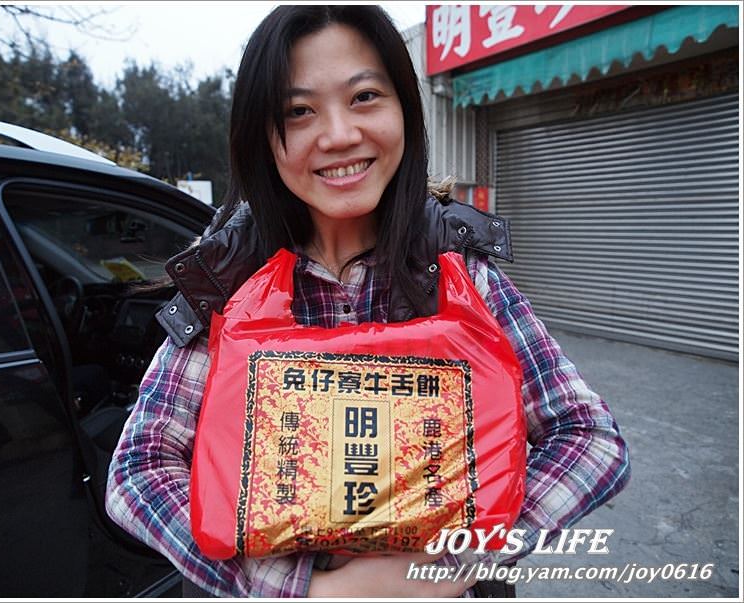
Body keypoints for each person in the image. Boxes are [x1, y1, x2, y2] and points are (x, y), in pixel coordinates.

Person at [106, 5, 630, 598]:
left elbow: (591, 438)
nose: (338, 135)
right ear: (263, 138)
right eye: (299, 111)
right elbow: (138, 473)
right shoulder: (232, 285)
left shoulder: (455, 273)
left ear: (405, 109)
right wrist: (301, 589)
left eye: (364, 98)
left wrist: (449, 568)